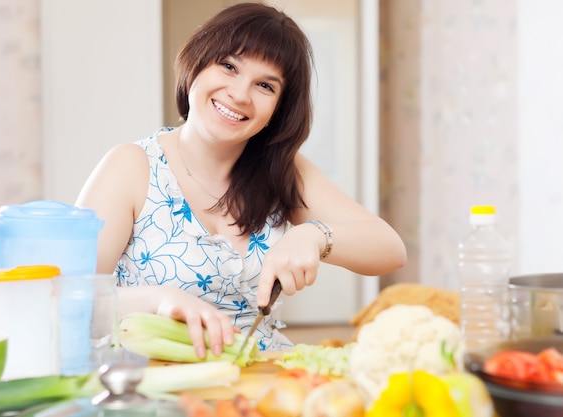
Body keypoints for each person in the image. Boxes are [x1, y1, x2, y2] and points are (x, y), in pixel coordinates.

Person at [76, 2, 406, 358]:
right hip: (152, 390)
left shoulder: (283, 170)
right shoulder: (133, 165)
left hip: (260, 382)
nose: (239, 94)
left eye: (265, 85)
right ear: (197, 62)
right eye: (229, 66)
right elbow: (70, 301)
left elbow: (390, 249)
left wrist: (315, 235)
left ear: (279, 108)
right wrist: (158, 300)